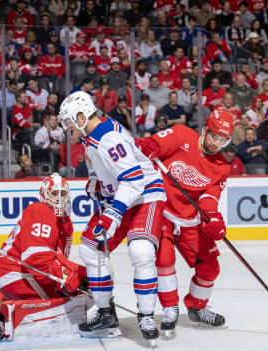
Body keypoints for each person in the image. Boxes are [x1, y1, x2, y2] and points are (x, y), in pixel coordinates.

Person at [58, 91, 166, 344]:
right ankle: (106, 312)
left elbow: (134, 180)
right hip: (120, 195)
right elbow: (112, 173)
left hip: (145, 196)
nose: (67, 128)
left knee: (140, 251)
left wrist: (113, 215)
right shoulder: (93, 135)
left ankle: (147, 315)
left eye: (69, 122)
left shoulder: (107, 139)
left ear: (82, 117)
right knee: (89, 249)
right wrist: (98, 184)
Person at [137, 109, 234, 336]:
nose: (217, 144)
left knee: (210, 268)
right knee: (164, 259)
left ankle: (197, 308)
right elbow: (151, 145)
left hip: (189, 218)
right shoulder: (182, 135)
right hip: (160, 207)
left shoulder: (221, 166)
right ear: (205, 130)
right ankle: (170, 308)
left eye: (223, 140)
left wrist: (214, 217)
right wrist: (149, 146)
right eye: (214, 136)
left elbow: (210, 198)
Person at [0, 174, 88, 341]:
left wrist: (75, 274)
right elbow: (36, 258)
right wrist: (67, 275)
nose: (59, 198)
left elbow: (57, 258)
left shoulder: (65, 223)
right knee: (52, 308)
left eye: (63, 194)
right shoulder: (39, 210)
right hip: (14, 271)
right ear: (44, 194)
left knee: (65, 296)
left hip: (28, 273)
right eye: (54, 193)